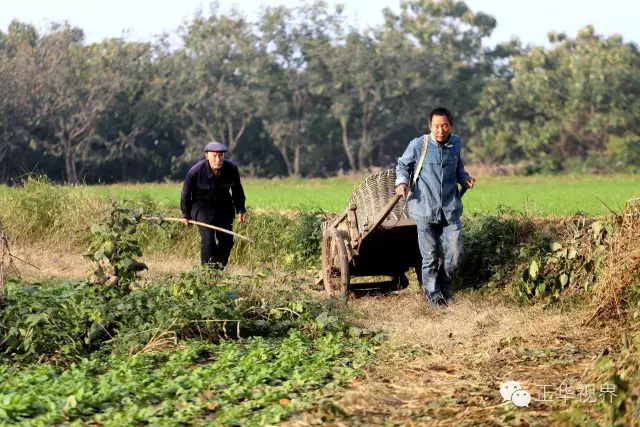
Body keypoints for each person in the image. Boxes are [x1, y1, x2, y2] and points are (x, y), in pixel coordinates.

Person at [395, 107, 474, 307]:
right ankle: (433, 297)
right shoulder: (418, 145)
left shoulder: (455, 143)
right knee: (429, 257)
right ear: (430, 126)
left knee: (455, 254)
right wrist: (402, 183)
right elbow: (403, 165)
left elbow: (458, 167)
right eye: (437, 126)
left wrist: (465, 178)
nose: (441, 130)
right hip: (424, 209)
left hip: (450, 209)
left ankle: (443, 286)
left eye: (444, 125)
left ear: (450, 126)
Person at [180, 141, 247, 269]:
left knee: (227, 240)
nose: (218, 159)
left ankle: (219, 269)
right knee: (208, 239)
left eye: (221, 155)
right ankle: (207, 270)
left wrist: (240, 209)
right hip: (201, 208)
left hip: (224, 208)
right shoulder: (195, 172)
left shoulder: (231, 169)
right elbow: (185, 195)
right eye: (214, 156)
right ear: (207, 156)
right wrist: (186, 214)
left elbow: (237, 191)